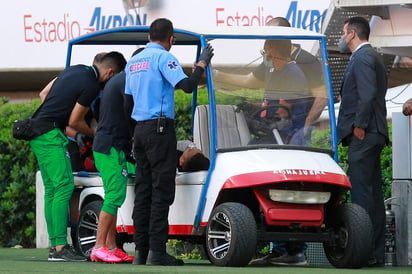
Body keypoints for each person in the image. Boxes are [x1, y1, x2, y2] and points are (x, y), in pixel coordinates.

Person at [125, 18, 213, 266]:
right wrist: (202, 65)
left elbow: (126, 104)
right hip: (160, 130)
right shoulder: (163, 57)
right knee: (161, 191)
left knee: (143, 192)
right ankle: (157, 251)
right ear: (170, 38)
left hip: (140, 132)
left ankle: (140, 252)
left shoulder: (134, 61)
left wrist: (135, 133)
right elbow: (186, 85)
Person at [30, 51, 127, 262]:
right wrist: (95, 133)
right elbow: (75, 121)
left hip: (37, 132)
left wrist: (56, 113)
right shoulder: (92, 85)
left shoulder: (74, 69)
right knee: (64, 186)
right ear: (110, 73)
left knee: (53, 190)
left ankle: (56, 246)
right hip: (50, 136)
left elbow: (44, 94)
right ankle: (60, 249)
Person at [336, 16, 388, 267]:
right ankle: (374, 252)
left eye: (343, 32)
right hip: (372, 133)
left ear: (352, 34)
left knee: (362, 195)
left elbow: (367, 96)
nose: (341, 37)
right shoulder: (367, 57)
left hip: (365, 134)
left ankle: (364, 251)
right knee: (373, 195)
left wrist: (359, 125)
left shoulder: (364, 57)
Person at [90, 49, 143, 263]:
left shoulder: (121, 79)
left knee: (114, 196)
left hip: (110, 146)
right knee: (113, 196)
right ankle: (98, 246)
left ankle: (111, 246)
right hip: (110, 147)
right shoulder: (128, 79)